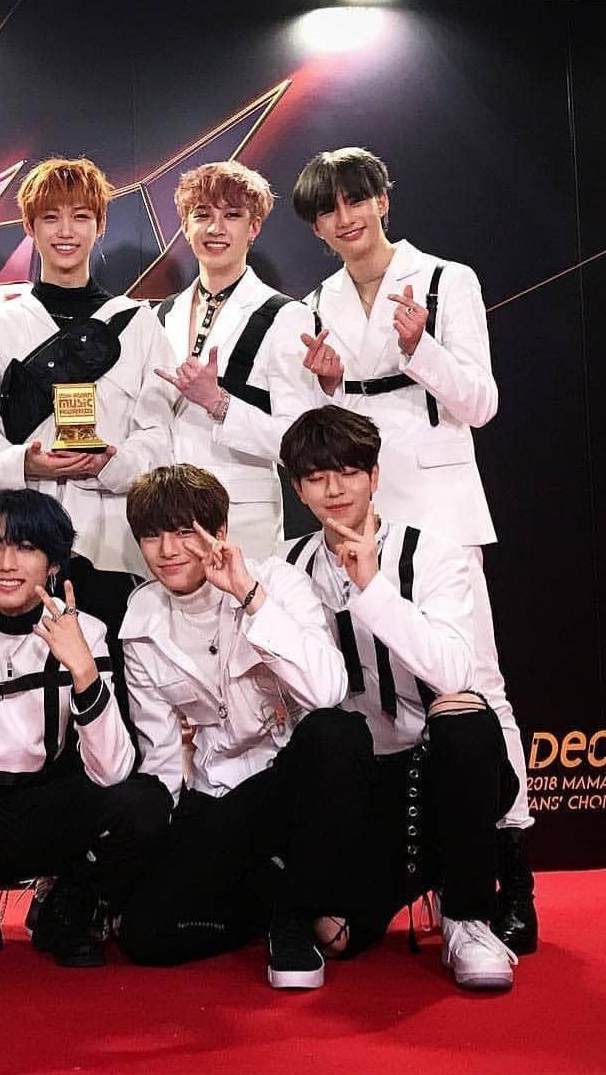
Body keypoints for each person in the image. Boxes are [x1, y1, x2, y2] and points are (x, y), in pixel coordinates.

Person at [290, 147, 535, 953]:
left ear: (383, 199)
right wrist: (326, 385)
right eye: (328, 209)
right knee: (364, 677)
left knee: (476, 683)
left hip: (437, 498)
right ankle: (388, 853)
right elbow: (326, 427)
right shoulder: (317, 300)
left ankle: (510, 875)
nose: (345, 218)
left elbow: (481, 402)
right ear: (315, 226)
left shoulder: (445, 280)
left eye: (356, 199)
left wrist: (420, 347)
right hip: (355, 501)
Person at [281, 405, 520, 989]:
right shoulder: (285, 565)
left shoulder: (434, 553)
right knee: (335, 939)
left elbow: (454, 669)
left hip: (444, 772)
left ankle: (468, 917)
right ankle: (417, 880)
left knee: (462, 715)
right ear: (298, 488)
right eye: (317, 477)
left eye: (349, 472)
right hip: (360, 791)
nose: (335, 489)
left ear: (375, 476)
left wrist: (371, 587)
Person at [0, 489, 171, 970]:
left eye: (25, 548)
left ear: (54, 564)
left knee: (145, 802)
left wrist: (84, 672)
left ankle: (71, 904)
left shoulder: (85, 629)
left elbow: (112, 771)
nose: (6, 564)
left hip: (50, 810)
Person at [116, 465, 365, 991]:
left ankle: (294, 918)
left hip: (293, 785)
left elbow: (327, 689)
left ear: (220, 531)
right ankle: (271, 897)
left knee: (336, 732)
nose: (168, 551)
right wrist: (173, 854)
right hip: (220, 797)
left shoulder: (276, 582)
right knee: (145, 936)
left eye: (183, 532)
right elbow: (161, 756)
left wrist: (248, 595)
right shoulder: (140, 620)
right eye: (152, 536)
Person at [0, 156, 177, 580]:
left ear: (100, 225)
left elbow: (160, 436)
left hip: (118, 540)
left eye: (81, 217)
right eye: (51, 217)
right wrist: (24, 462)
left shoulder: (139, 325)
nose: (66, 231)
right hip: (22, 542)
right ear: (29, 226)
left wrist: (111, 463)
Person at [153, 162, 320, 559]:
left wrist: (220, 403)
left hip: (243, 519)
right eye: (202, 215)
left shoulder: (285, 315)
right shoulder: (162, 315)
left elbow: (297, 443)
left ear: (254, 227)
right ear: (185, 226)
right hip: (166, 517)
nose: (216, 228)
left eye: (231, 215)